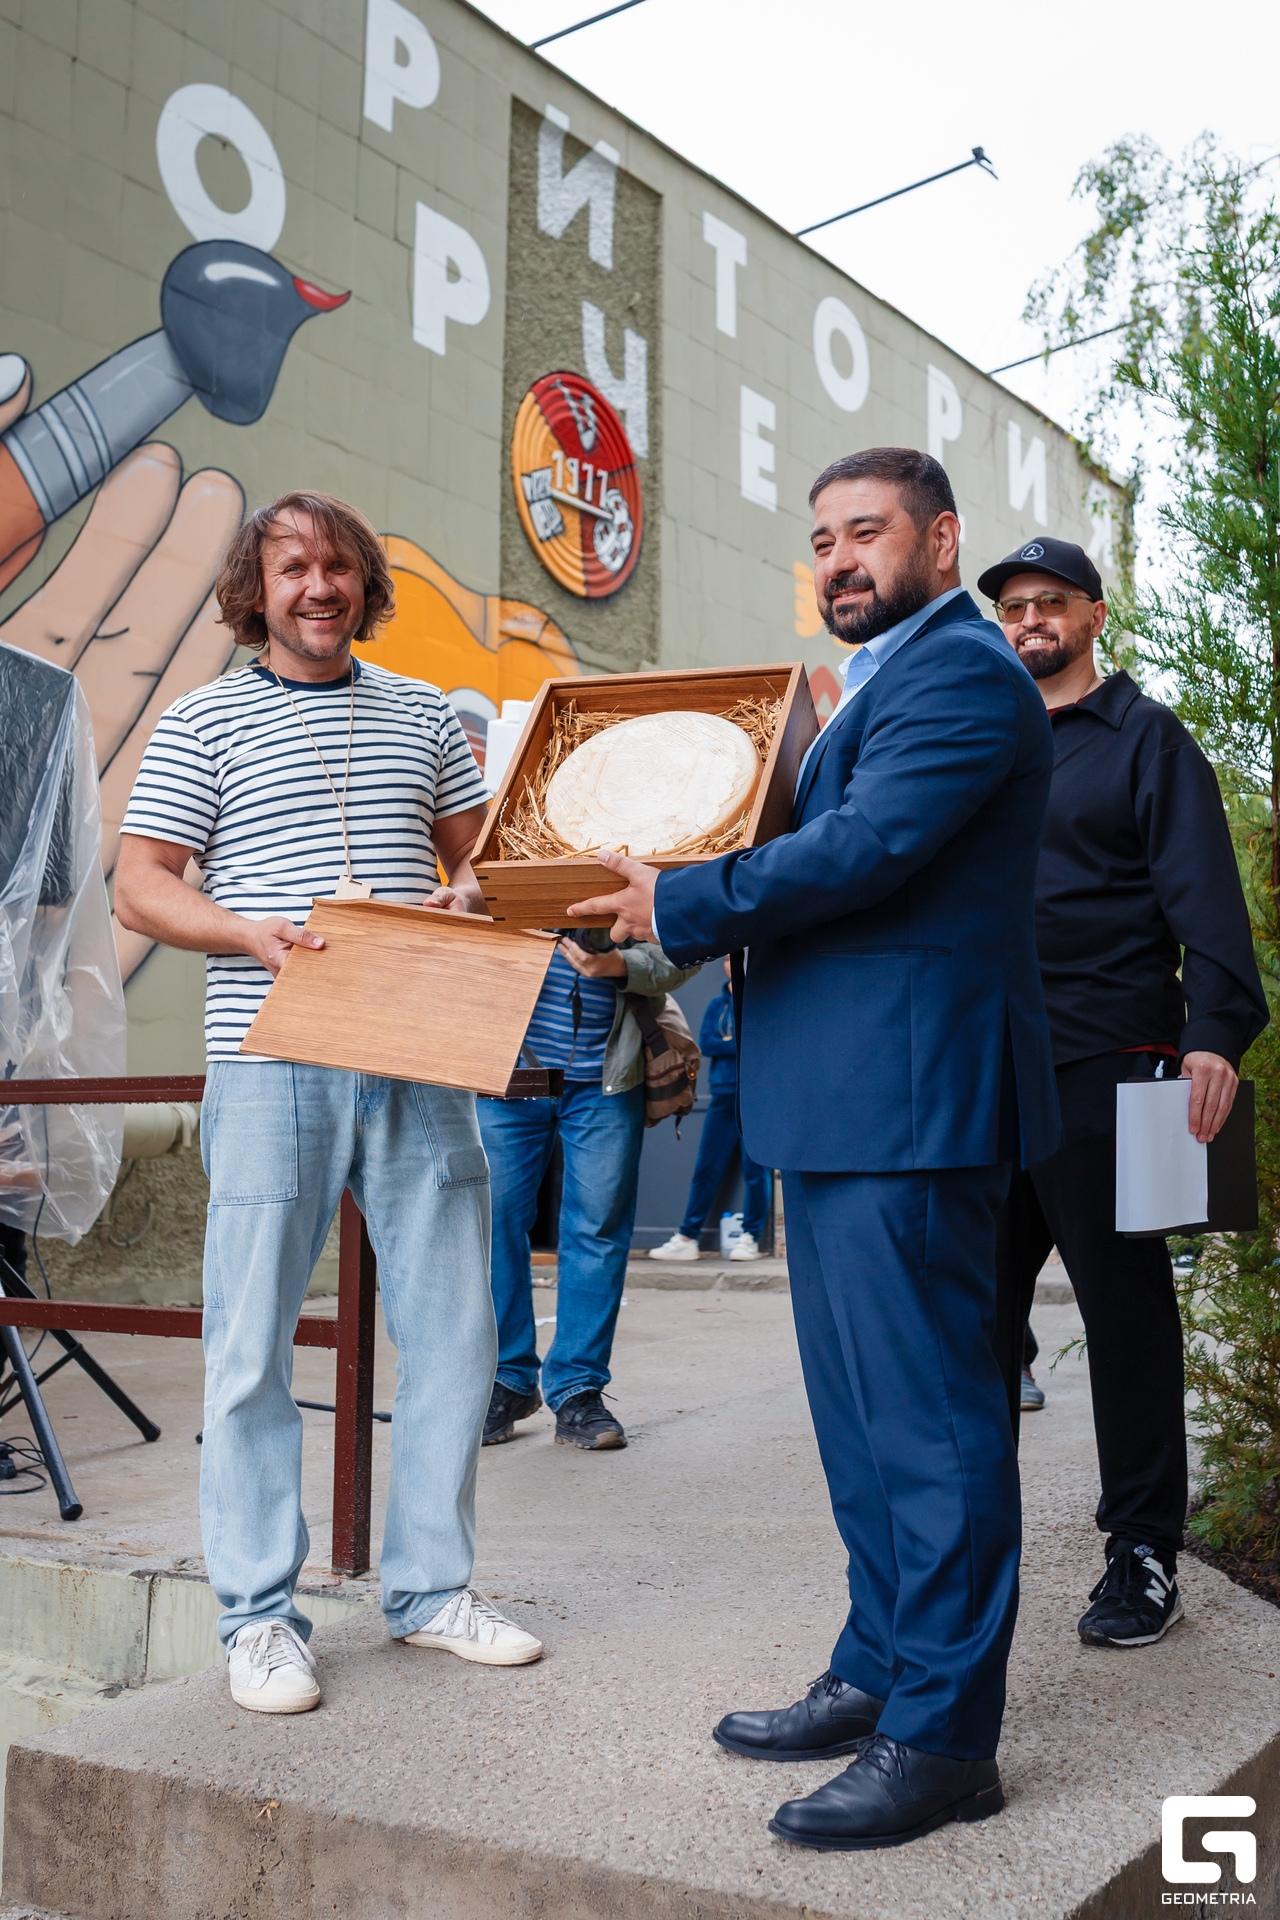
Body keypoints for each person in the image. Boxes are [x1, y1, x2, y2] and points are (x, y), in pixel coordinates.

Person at [566, 447, 1059, 1852]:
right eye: (823, 539)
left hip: (914, 1106)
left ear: (940, 539)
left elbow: (868, 851)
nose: (838, 559)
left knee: (932, 1427)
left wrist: (676, 897)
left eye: (866, 532)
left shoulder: (963, 673)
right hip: (847, 1104)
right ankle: (879, 1665)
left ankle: (945, 1739)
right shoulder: (878, 684)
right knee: (859, 1419)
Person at [114, 490, 543, 1715]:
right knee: (251, 1342)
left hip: (416, 1042)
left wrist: (471, 894)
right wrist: (248, 932)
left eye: (340, 566)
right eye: (294, 567)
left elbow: (480, 858)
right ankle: (257, 1619)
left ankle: (430, 1594)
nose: (319, 586)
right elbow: (142, 885)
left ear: (364, 584)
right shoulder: (201, 719)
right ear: (257, 590)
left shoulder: (422, 714)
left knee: (455, 1329)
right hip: (269, 1054)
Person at [979, 538, 1267, 1649]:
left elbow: (1206, 897)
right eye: (1012, 608)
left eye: (1049, 602)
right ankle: (965, 1547)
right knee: (970, 1324)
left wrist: (1214, 1036)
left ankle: (1142, 1552)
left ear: (1094, 616)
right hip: (980, 1073)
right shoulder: (986, 741)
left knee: (1127, 1316)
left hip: (1109, 1067)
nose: (1028, 621)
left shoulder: (1149, 739)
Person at [476, 928, 697, 1451]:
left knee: (597, 1230)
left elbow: (685, 946)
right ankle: (508, 1379)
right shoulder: (489, 874)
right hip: (505, 1071)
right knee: (490, 1222)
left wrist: (620, 965)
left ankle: (578, 1387)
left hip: (606, 1078)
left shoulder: (625, 875)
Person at [649, 958, 770, 1262]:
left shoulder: (762, 999)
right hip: (722, 1095)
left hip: (755, 1097)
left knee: (756, 1170)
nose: (731, 965)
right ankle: (687, 1238)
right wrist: (739, 1041)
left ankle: (751, 1238)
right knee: (706, 1169)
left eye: (736, 959)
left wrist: (730, 1041)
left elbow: (764, 1042)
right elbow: (707, 1043)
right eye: (727, 959)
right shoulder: (717, 1005)